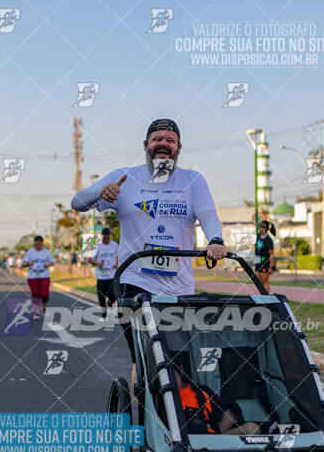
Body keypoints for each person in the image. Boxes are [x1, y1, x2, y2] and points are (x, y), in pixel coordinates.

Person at [71, 118, 227, 390]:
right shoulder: (125, 178)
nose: (163, 144)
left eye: (170, 140)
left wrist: (216, 240)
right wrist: (100, 191)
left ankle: (172, 417)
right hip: (135, 282)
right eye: (157, 139)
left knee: (177, 360)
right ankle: (144, 413)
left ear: (179, 148)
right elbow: (77, 203)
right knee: (144, 357)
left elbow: (208, 214)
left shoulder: (193, 181)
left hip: (180, 286)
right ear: (146, 145)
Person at [21, 236, 54, 319]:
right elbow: (24, 264)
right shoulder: (30, 252)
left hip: (44, 276)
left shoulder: (46, 251)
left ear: (42, 243)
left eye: (40, 242)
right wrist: (29, 263)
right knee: (35, 294)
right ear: (34, 242)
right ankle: (37, 312)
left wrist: (48, 264)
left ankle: (44, 307)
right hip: (32, 276)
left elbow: (52, 262)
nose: (38, 243)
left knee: (45, 294)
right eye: (37, 241)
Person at [89, 227, 119, 321]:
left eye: (108, 234)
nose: (106, 236)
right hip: (101, 276)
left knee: (113, 294)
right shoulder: (97, 245)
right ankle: (103, 315)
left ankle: (110, 303)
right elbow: (89, 259)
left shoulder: (114, 244)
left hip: (111, 275)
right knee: (101, 296)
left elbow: (118, 256)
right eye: (105, 235)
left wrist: (117, 263)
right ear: (102, 235)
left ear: (110, 235)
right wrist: (98, 263)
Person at [254, 220, 276, 293]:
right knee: (258, 282)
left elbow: (271, 254)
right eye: (259, 227)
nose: (259, 229)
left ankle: (266, 299)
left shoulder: (268, 240)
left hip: (265, 263)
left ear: (265, 229)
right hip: (258, 262)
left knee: (264, 282)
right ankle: (262, 297)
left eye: (261, 228)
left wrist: (271, 267)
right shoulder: (258, 236)